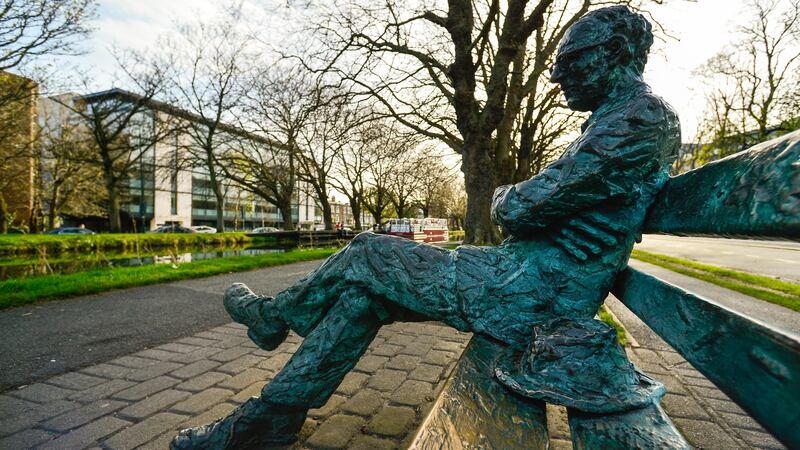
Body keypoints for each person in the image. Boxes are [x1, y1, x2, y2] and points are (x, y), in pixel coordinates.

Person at [171, 6, 680, 449]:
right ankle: (268, 420)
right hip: (520, 277)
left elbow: (521, 209)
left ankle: (273, 316)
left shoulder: (640, 117)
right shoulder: (616, 117)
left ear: (613, 51)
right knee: (358, 296)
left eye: (568, 61)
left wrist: (519, 203)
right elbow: (534, 208)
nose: (556, 77)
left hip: (532, 295)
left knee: (369, 251)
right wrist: (535, 211)